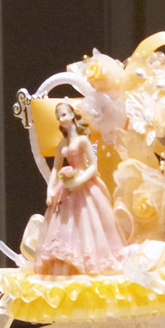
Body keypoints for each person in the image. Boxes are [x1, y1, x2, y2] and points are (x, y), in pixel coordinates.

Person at [34, 101, 125, 276]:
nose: (61, 119)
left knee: (89, 221)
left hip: (85, 184)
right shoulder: (62, 145)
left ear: (72, 115)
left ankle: (92, 261)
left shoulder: (83, 140)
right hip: (66, 187)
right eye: (58, 116)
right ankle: (67, 261)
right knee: (64, 224)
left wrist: (80, 179)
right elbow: (55, 168)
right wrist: (50, 189)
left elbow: (93, 165)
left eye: (64, 114)